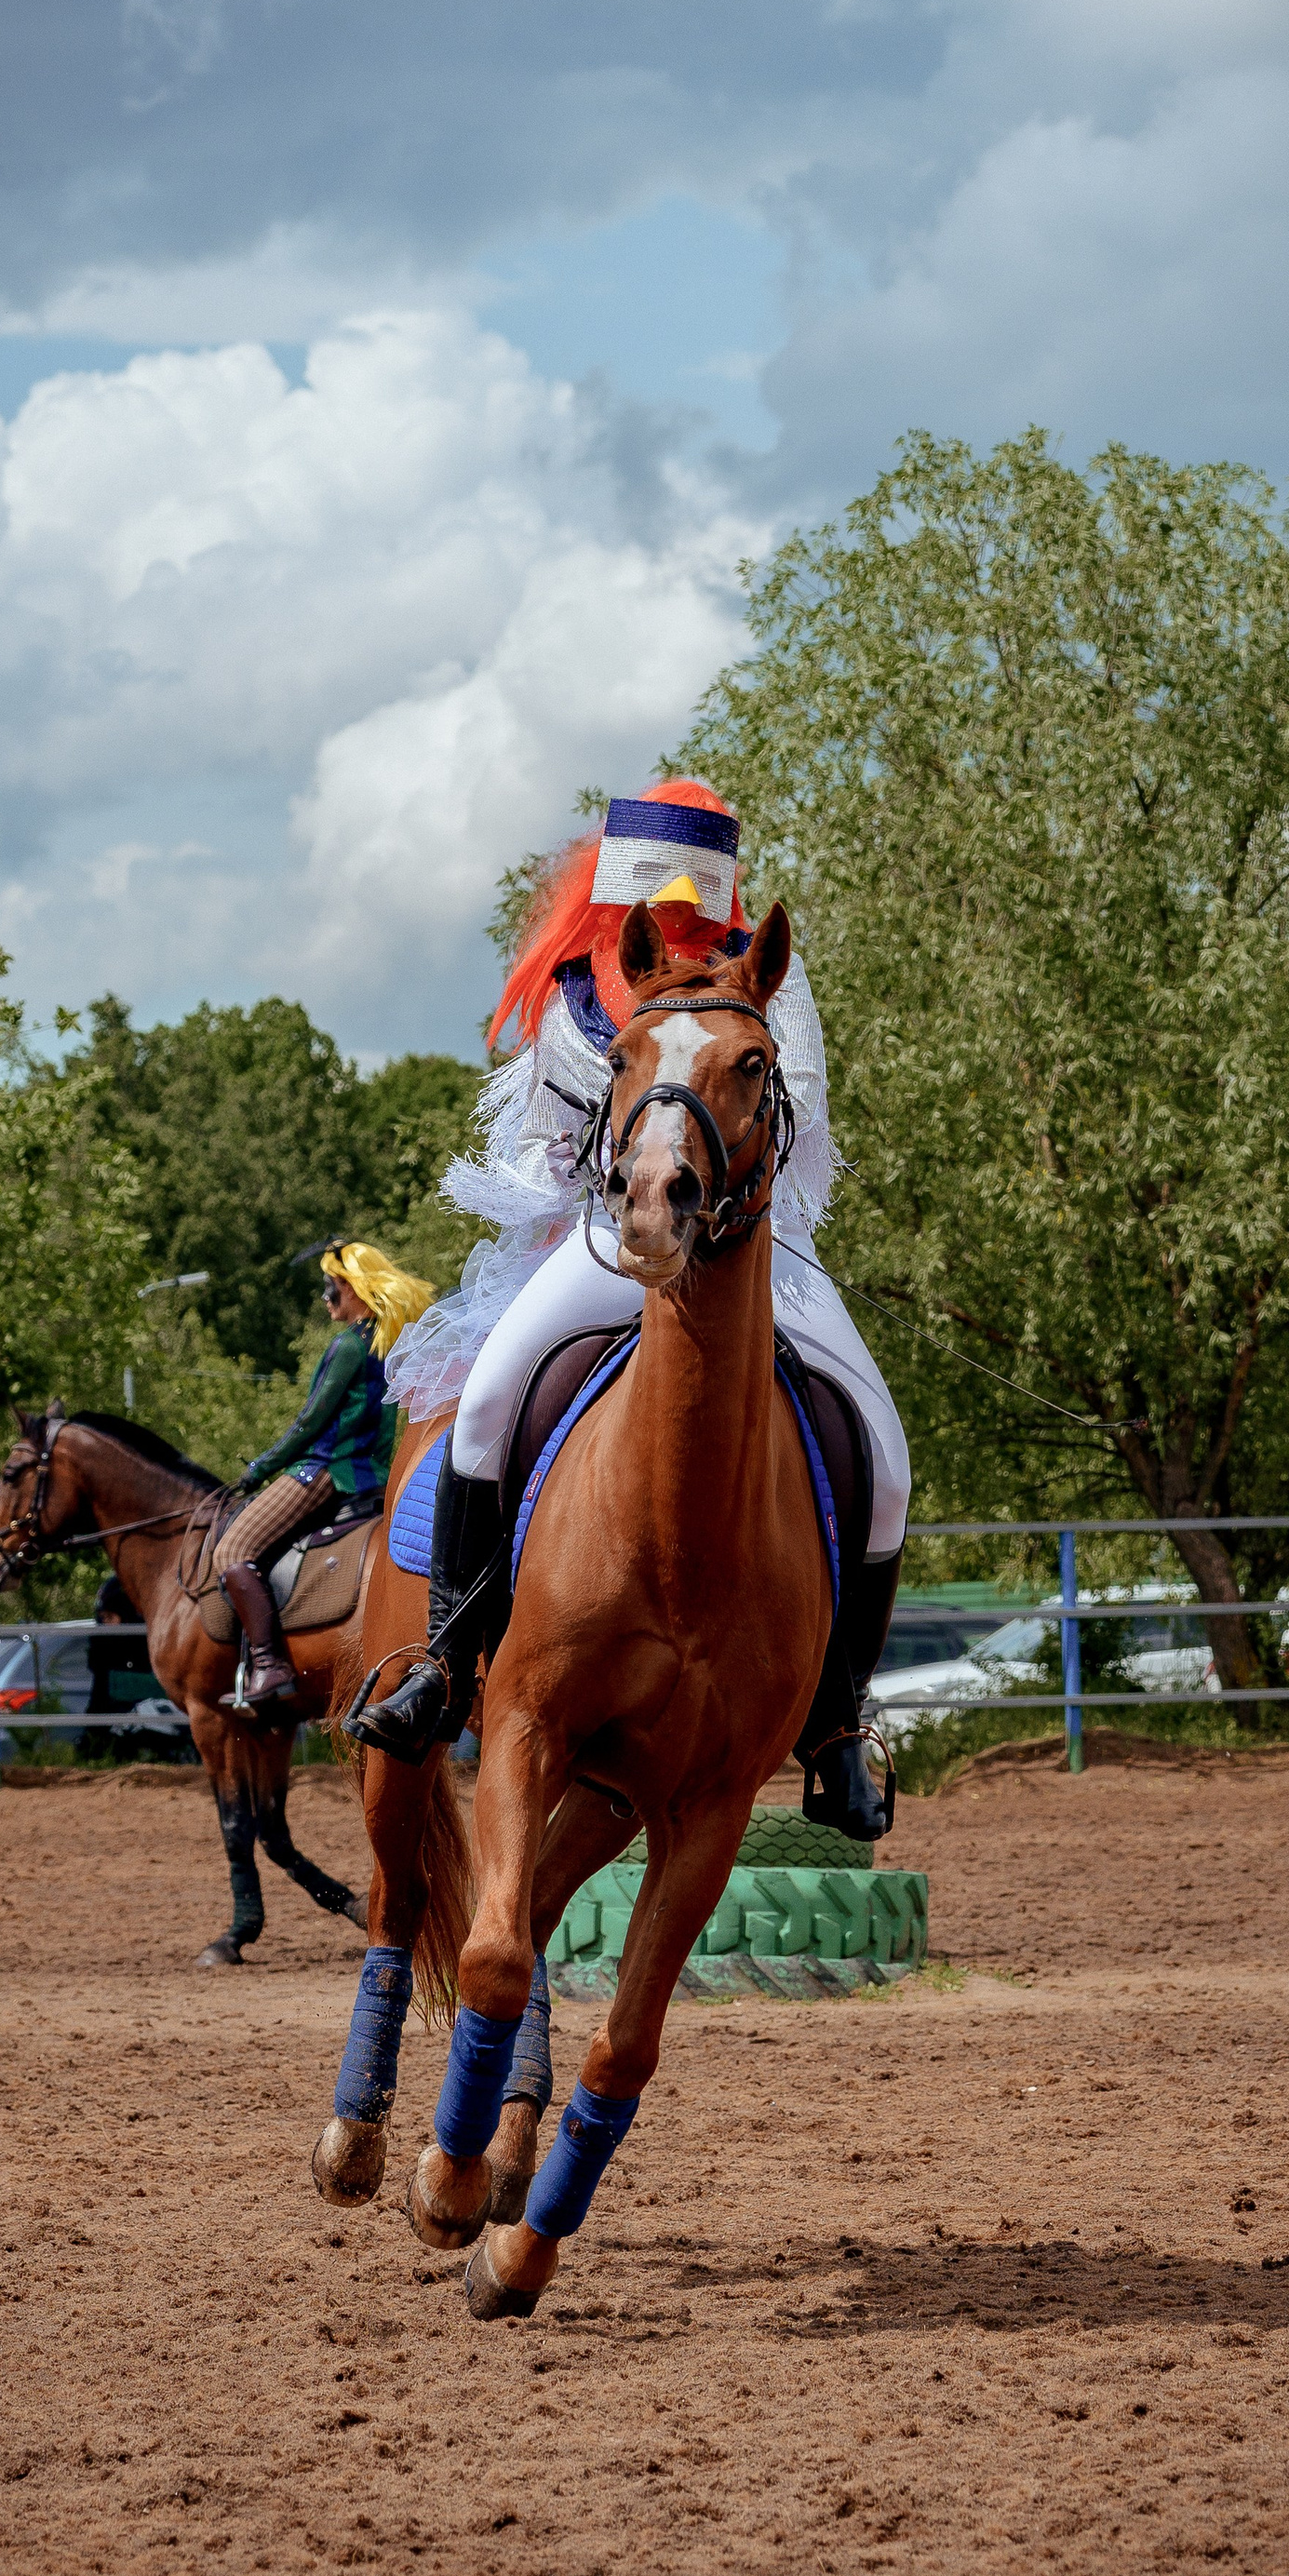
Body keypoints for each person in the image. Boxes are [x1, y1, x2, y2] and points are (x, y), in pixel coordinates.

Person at [355, 779, 911, 1838]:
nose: (689, 914)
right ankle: (446, 1660)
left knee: (883, 1462)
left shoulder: (770, 990)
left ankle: (837, 1722)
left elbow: (804, 1137)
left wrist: (739, 1211)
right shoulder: (576, 995)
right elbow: (541, 1151)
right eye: (668, 898)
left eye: (702, 896)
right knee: (482, 1408)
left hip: (756, 1242)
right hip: (607, 1236)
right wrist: (604, 1203)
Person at [214, 1241, 436, 1720]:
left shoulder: (349, 1347)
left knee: (231, 1551)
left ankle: (270, 1666)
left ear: (355, 1289)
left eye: (330, 1288)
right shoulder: (388, 1342)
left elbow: (310, 1423)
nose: (326, 1299)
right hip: (372, 1476)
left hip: (326, 1471)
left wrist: (260, 1468)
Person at [81, 1574, 157, 1760]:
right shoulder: (101, 1646)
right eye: (103, 1618)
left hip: (142, 1723)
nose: (105, 1624)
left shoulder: (145, 1644)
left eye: (110, 1618)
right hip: (107, 1722)